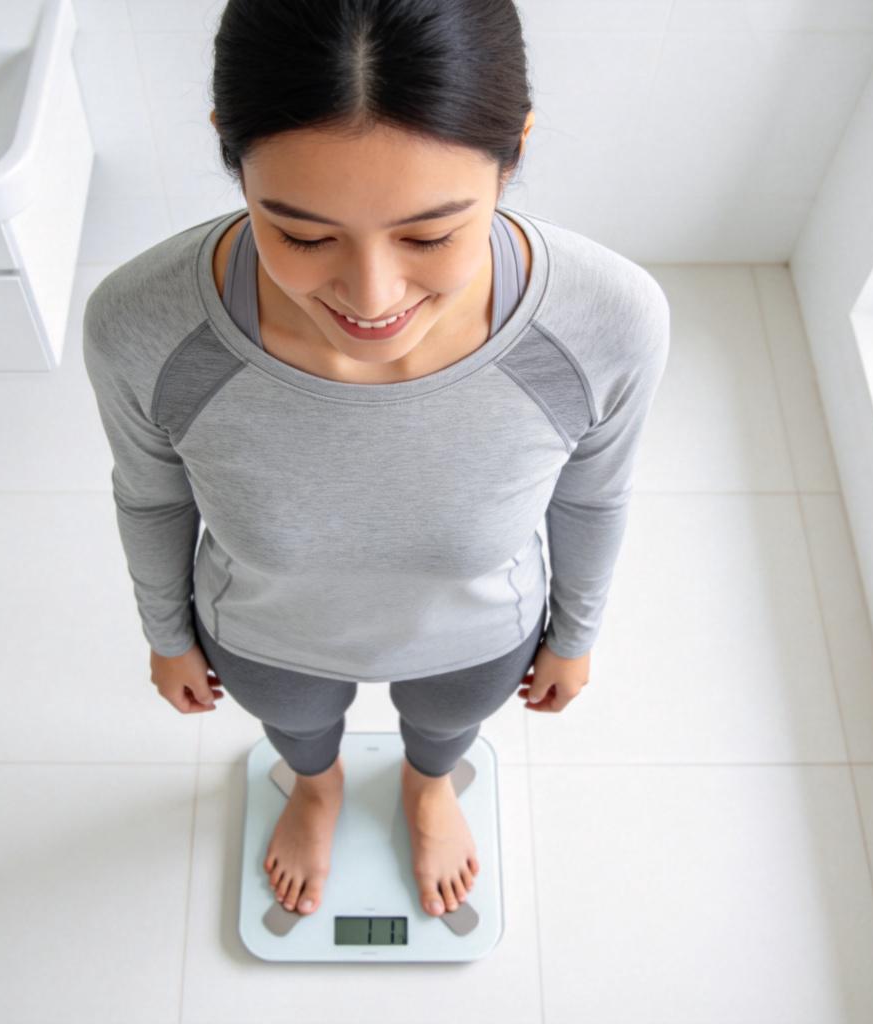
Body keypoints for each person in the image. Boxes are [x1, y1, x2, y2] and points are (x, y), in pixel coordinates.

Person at [84, 0, 668, 922]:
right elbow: (151, 499)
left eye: (430, 236)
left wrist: (574, 634)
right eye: (302, 235)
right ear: (231, 152)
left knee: (443, 731)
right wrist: (166, 635)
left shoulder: (607, 322)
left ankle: (429, 791)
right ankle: (315, 791)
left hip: (478, 639)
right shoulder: (143, 327)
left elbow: (595, 497)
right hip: (265, 638)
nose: (370, 297)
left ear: (513, 151)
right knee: (298, 731)